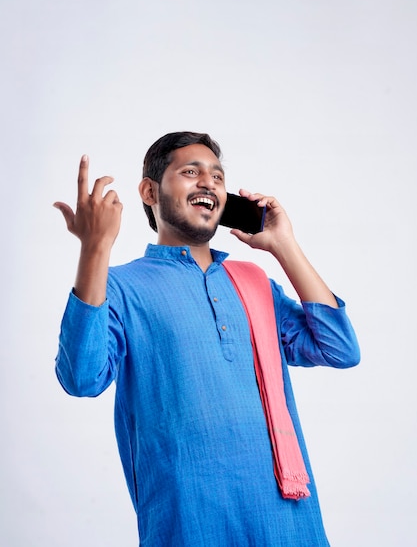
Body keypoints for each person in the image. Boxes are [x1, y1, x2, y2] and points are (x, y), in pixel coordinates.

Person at [54, 131, 360, 546]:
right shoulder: (119, 287)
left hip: (288, 520)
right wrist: (95, 249)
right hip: (189, 524)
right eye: (190, 172)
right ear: (149, 191)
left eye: (217, 177)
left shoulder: (252, 282)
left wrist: (284, 245)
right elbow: (81, 378)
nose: (209, 183)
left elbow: (339, 349)